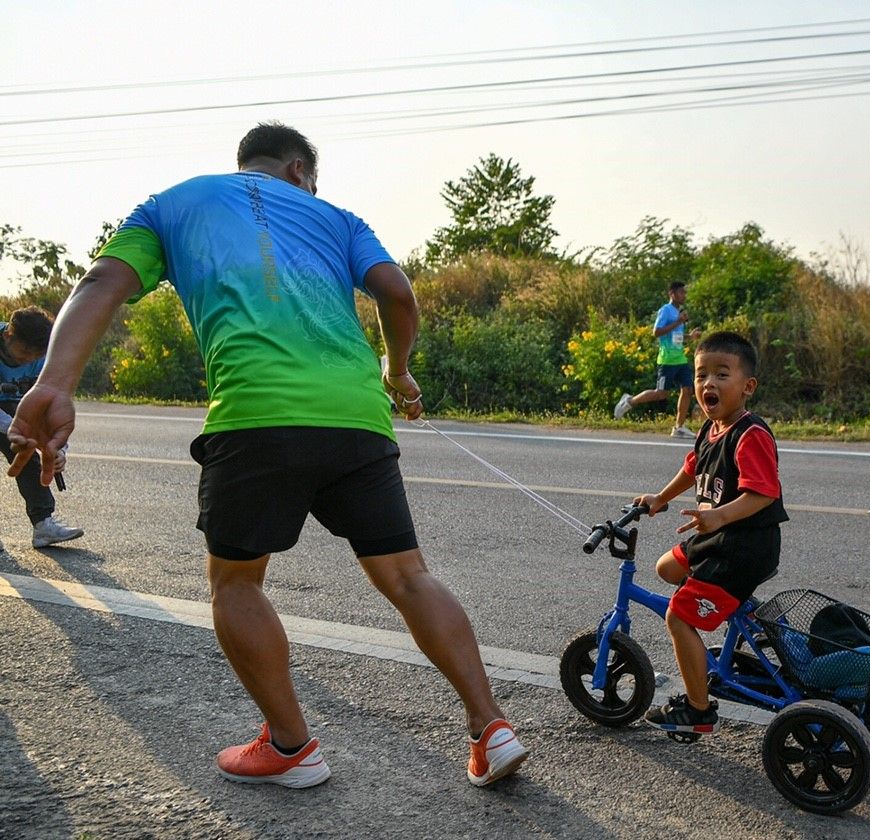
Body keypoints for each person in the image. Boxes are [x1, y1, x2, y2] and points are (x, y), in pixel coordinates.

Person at [6, 122, 526, 789]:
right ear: (301, 169)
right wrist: (398, 372)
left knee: (237, 583)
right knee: (408, 577)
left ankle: (292, 748)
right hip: (357, 416)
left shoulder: (172, 203)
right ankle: (492, 727)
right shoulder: (336, 217)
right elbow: (397, 293)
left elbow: (102, 280)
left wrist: (54, 383)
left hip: (257, 414)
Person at [631, 331, 788, 734]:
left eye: (722, 375)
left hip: (742, 548)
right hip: (717, 539)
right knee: (667, 568)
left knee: (678, 616)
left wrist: (720, 517)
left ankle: (698, 710)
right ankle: (722, 602)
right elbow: (693, 467)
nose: (708, 385)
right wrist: (660, 498)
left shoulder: (749, 434)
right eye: (701, 376)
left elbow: (763, 494)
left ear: (747, 387)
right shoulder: (711, 428)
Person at [0, 307, 83, 549]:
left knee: (28, 457)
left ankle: (43, 524)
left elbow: (51, 408)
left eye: (35, 355)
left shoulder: (42, 360)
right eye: (24, 352)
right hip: (10, 417)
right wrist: (19, 429)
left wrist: (58, 448)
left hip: (15, 411)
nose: (28, 359)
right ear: (8, 336)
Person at [614, 280, 703, 438]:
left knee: (688, 390)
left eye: (685, 293)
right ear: (672, 294)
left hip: (680, 359)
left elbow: (675, 336)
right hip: (667, 360)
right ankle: (629, 401)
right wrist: (679, 321)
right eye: (681, 292)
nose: (684, 295)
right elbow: (656, 332)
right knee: (661, 393)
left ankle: (679, 427)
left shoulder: (679, 313)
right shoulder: (666, 311)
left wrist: (690, 336)